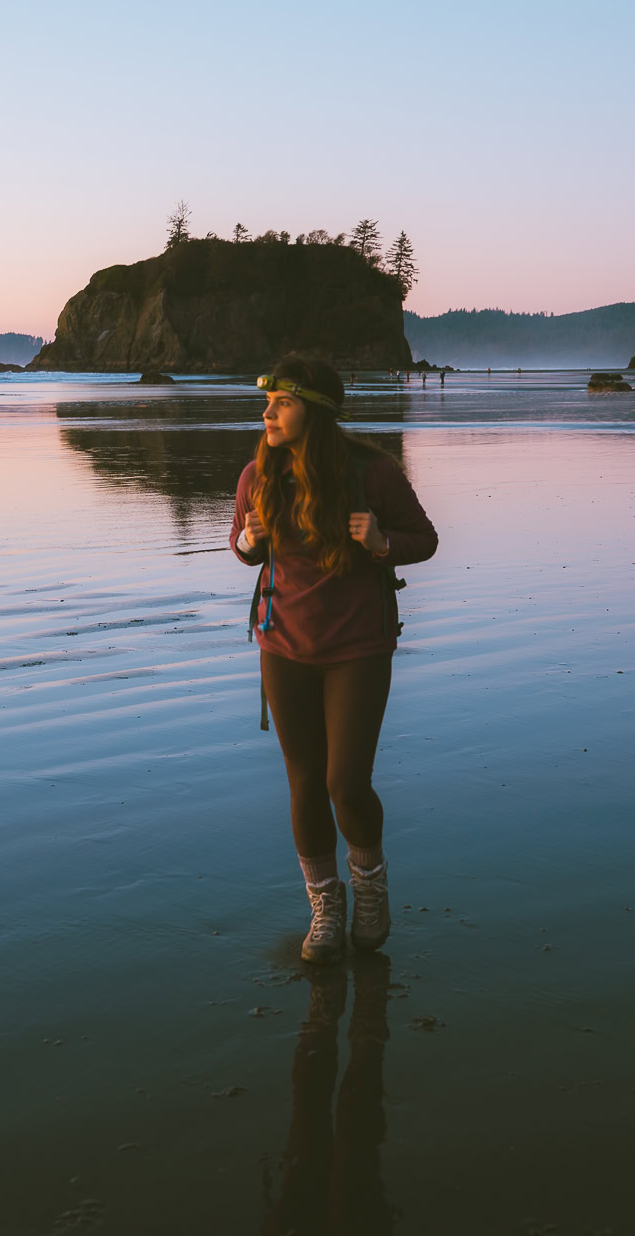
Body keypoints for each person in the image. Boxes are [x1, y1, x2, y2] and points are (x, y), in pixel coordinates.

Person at [229, 355, 438, 964]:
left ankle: (370, 889)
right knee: (304, 784)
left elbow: (423, 540)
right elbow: (239, 546)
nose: (267, 414)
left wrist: (382, 543)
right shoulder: (255, 475)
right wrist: (250, 540)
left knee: (345, 783)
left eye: (282, 403)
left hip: (358, 649)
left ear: (315, 412)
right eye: (266, 403)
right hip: (283, 646)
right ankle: (325, 907)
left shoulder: (373, 473)